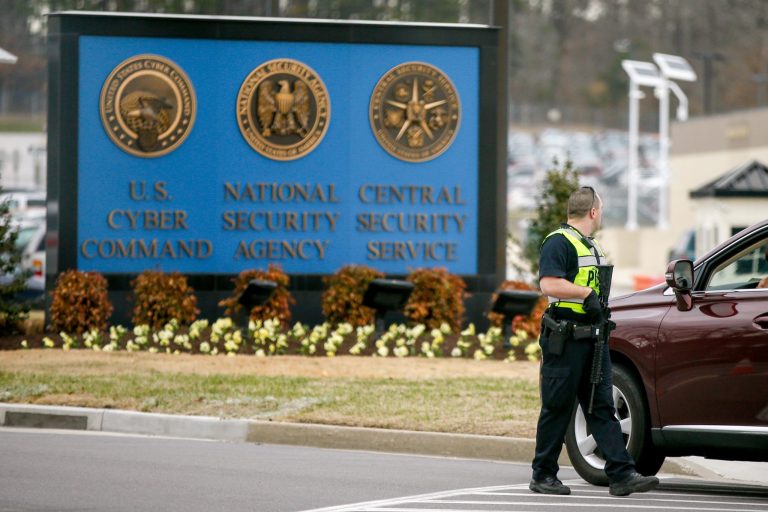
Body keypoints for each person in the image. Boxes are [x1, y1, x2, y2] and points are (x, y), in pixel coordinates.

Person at [529, 186, 660, 497]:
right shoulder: (559, 242)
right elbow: (548, 283)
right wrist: (586, 295)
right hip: (566, 338)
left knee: (601, 407)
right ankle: (543, 474)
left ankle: (621, 474)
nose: (600, 214)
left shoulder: (591, 245)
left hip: (592, 339)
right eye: (600, 210)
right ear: (593, 212)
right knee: (557, 407)